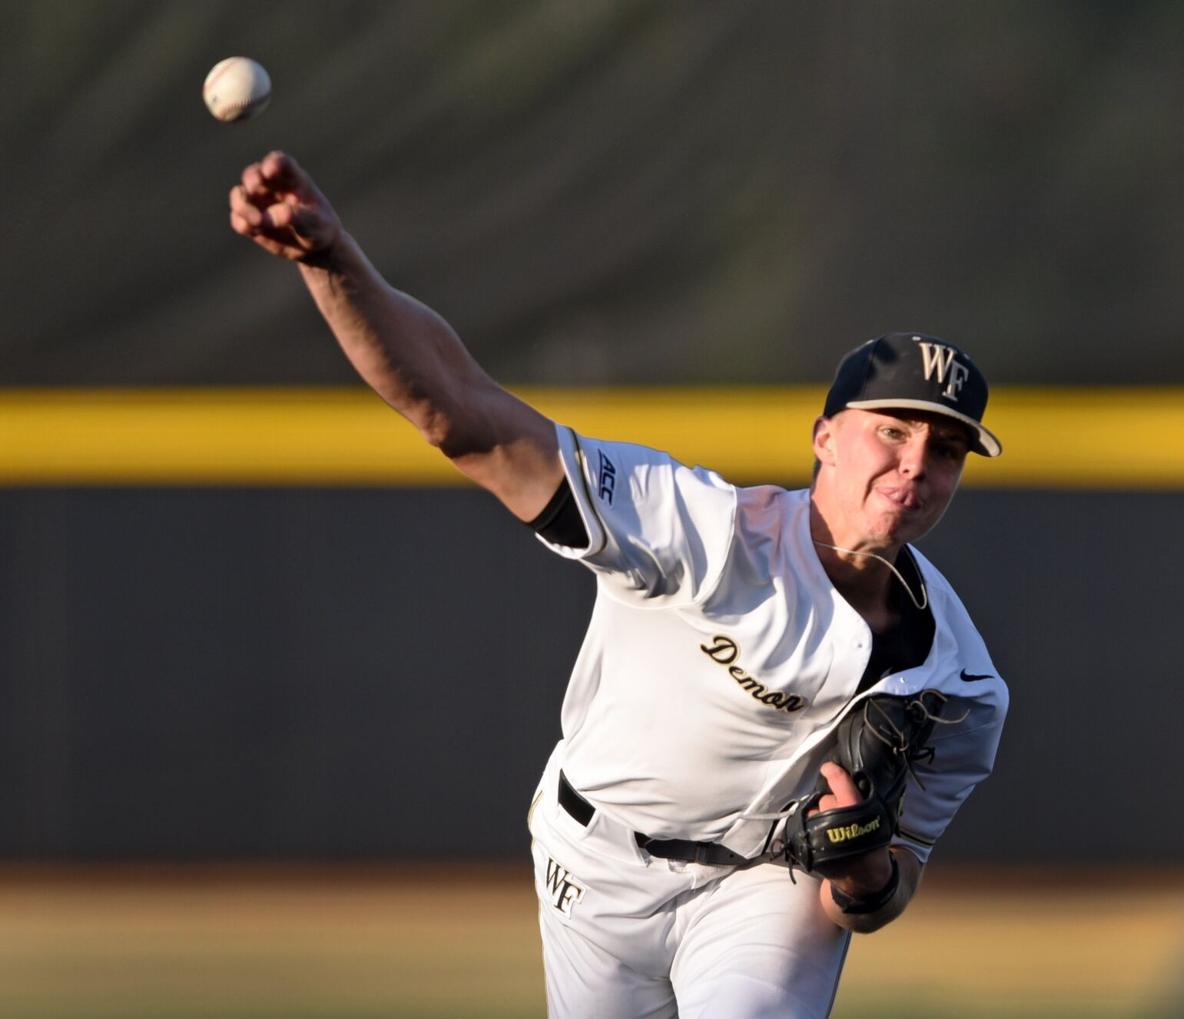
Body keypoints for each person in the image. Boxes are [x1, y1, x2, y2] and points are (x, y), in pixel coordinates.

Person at [229, 151, 1008, 1019]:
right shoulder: (700, 529)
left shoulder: (960, 683)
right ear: (824, 436)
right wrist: (332, 261)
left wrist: (865, 876)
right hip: (592, 862)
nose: (916, 465)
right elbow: (459, 412)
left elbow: (893, 881)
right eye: (893, 431)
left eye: (945, 451)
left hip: (762, 888)